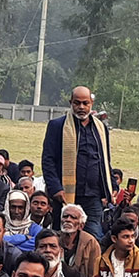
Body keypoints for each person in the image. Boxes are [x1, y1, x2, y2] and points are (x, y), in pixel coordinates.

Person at [42, 85, 114, 238]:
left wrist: (111, 186)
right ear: (71, 102)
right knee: (63, 236)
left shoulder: (101, 128)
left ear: (91, 103)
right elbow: (48, 160)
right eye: (77, 103)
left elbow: (105, 161)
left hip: (93, 196)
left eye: (85, 103)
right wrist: (55, 188)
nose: (81, 107)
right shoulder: (58, 126)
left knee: (94, 237)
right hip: (65, 195)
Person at [59, 203, 101, 277]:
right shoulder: (53, 239)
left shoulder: (90, 242)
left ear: (81, 226)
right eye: (65, 216)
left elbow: (93, 274)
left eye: (73, 217)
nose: (68, 219)